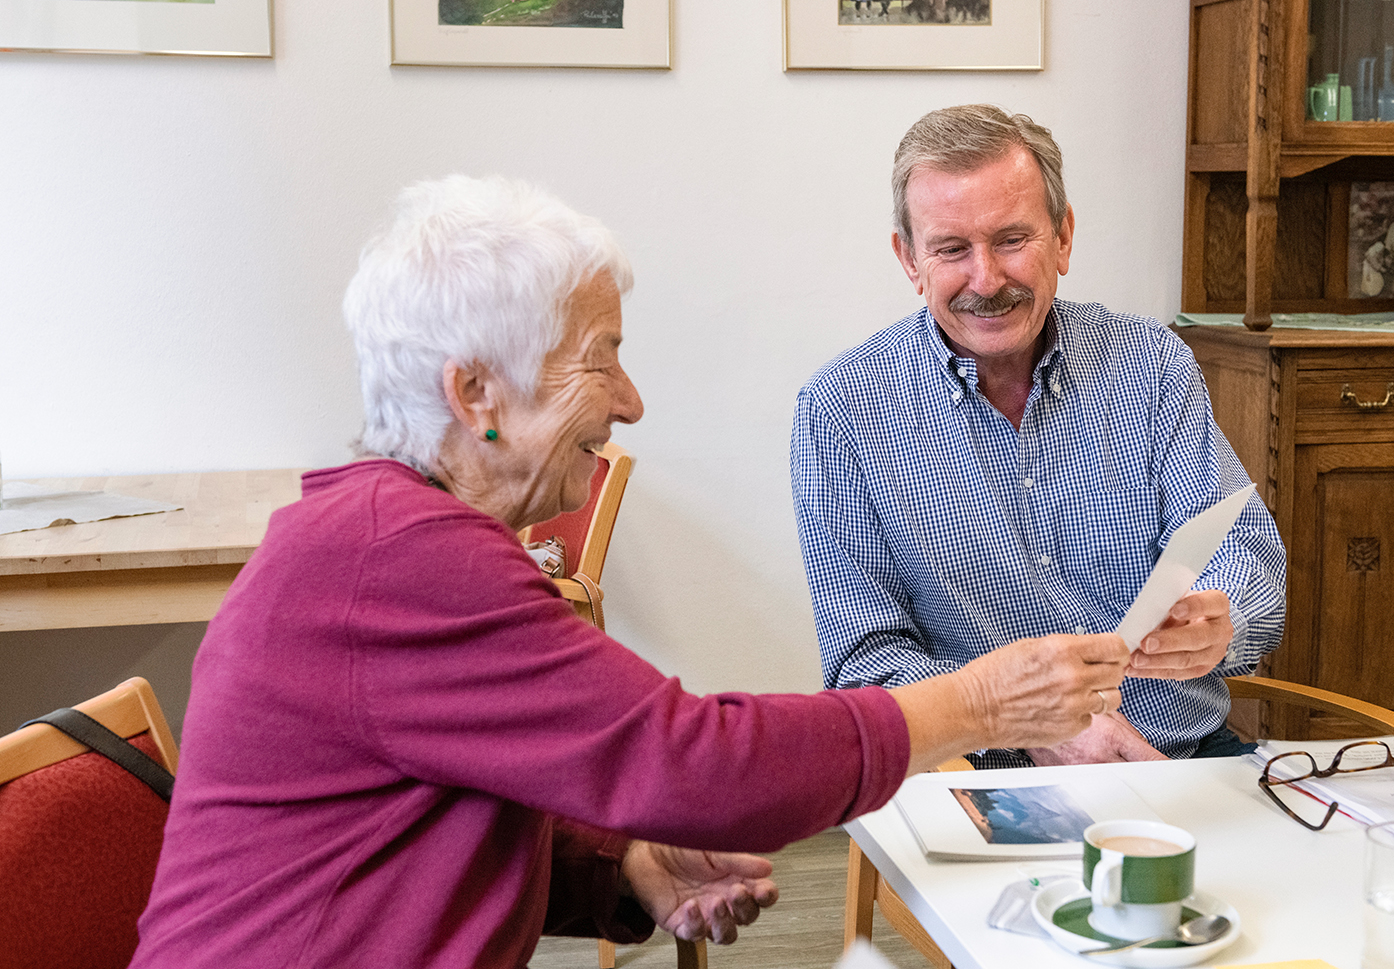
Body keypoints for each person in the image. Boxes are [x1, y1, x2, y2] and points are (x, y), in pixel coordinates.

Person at [127, 174, 1133, 969]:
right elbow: (692, 760)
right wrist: (977, 705)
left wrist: (631, 864)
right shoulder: (399, 557)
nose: (632, 400)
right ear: (476, 389)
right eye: (599, 357)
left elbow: (413, 828)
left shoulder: (383, 535)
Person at [791, 104, 1287, 769]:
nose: (986, 280)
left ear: (1064, 236)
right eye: (951, 249)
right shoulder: (841, 410)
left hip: (1179, 761)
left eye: (1011, 239)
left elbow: (1242, 547)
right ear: (909, 259)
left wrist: (1220, 621)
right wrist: (1022, 721)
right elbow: (864, 661)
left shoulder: (1150, 364)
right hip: (980, 776)